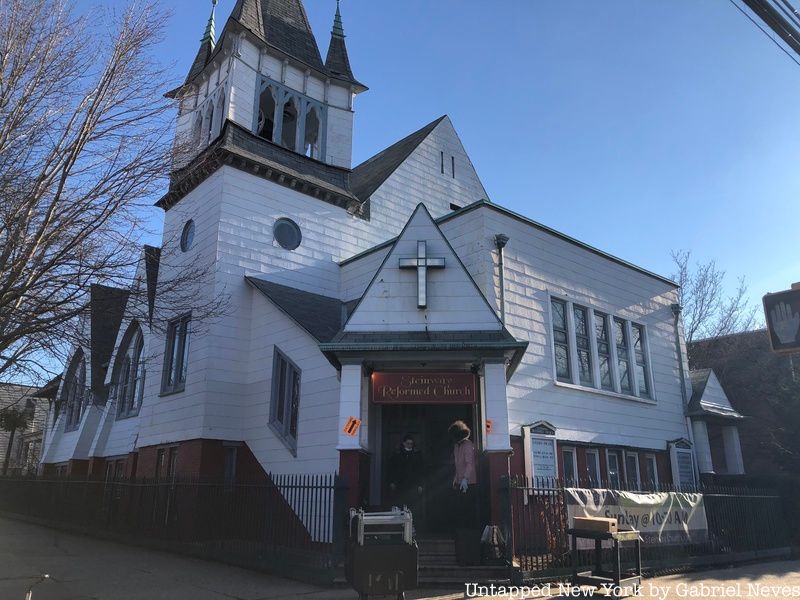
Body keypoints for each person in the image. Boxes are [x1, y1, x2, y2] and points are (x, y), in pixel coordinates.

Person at [387, 434, 424, 518]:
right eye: (408, 443)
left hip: (413, 484)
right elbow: (391, 469)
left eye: (411, 444)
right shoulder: (397, 454)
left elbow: (421, 471)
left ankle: (412, 525)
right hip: (400, 484)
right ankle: (401, 525)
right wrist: (391, 481)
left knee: (413, 504)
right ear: (404, 443)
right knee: (400, 504)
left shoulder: (417, 454)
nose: (410, 445)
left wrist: (420, 484)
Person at [448, 420, 477, 529]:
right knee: (459, 508)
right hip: (460, 481)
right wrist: (456, 478)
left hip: (469, 482)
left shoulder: (468, 445)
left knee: (467, 509)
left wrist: (465, 478)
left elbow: (470, 464)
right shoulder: (457, 445)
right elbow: (457, 464)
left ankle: (466, 531)